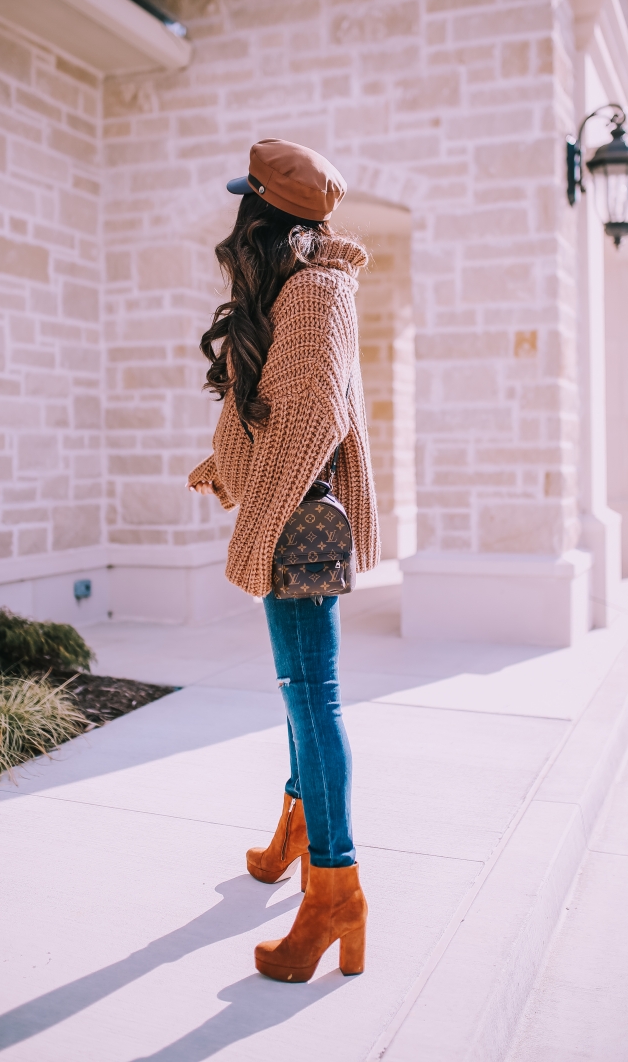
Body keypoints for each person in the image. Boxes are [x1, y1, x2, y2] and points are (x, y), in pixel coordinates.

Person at [188, 139, 379, 983]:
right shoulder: (288, 292)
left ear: (262, 213)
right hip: (283, 517)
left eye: (247, 202)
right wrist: (221, 467)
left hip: (296, 531)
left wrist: (257, 521)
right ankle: (299, 831)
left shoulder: (317, 292)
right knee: (301, 690)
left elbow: (310, 424)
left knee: (313, 692)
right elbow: (263, 410)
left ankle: (335, 887)